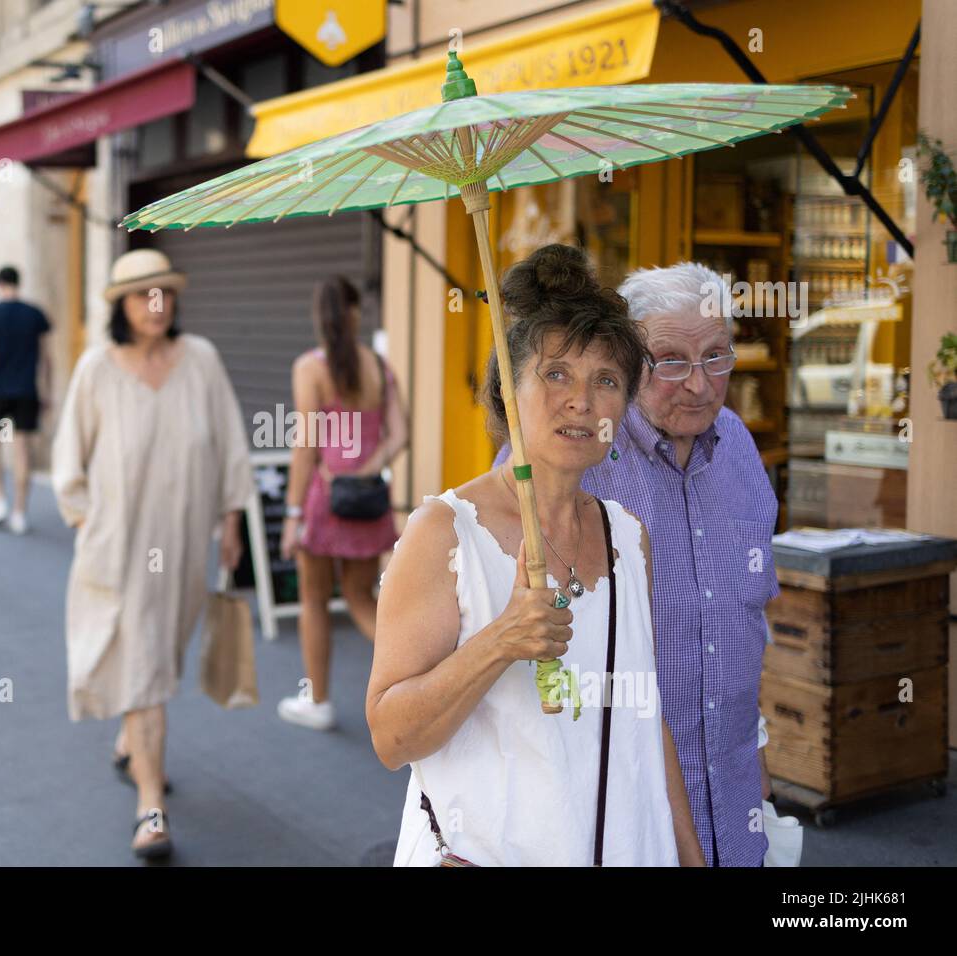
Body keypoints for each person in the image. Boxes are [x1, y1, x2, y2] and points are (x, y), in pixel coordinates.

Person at [369, 245, 703, 867]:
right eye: (555, 374)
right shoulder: (444, 533)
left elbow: (644, 721)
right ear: (507, 392)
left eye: (605, 380)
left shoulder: (628, 537)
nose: (581, 401)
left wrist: (690, 857)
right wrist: (502, 640)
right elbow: (391, 737)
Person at [492, 261, 779, 867]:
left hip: (734, 800)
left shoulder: (742, 451)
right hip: (615, 806)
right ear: (625, 361)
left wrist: (757, 759)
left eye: (718, 357)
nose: (700, 385)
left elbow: (747, 623)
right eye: (670, 360)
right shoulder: (571, 452)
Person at [51, 248, 252, 860]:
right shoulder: (97, 370)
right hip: (121, 547)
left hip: (186, 545)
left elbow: (229, 442)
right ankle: (149, 807)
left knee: (163, 653)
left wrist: (232, 517)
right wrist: (87, 521)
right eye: (142, 295)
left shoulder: (202, 361)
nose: (156, 304)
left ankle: (127, 736)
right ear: (119, 305)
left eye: (164, 292)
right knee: (144, 666)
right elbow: (68, 459)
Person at [277, 276, 408, 731]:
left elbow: (305, 447)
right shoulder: (378, 366)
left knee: (314, 601)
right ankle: (413, 676)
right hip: (367, 500)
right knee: (360, 597)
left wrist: (293, 514)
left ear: (320, 315)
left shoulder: (311, 367)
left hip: (323, 500)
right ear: (354, 313)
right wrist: (366, 468)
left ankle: (318, 701)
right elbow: (400, 433)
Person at [0, 266, 51, 536]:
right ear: (18, 283)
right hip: (27, 392)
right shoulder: (34, 314)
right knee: (22, 451)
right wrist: (46, 391)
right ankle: (19, 512)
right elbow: (46, 358)